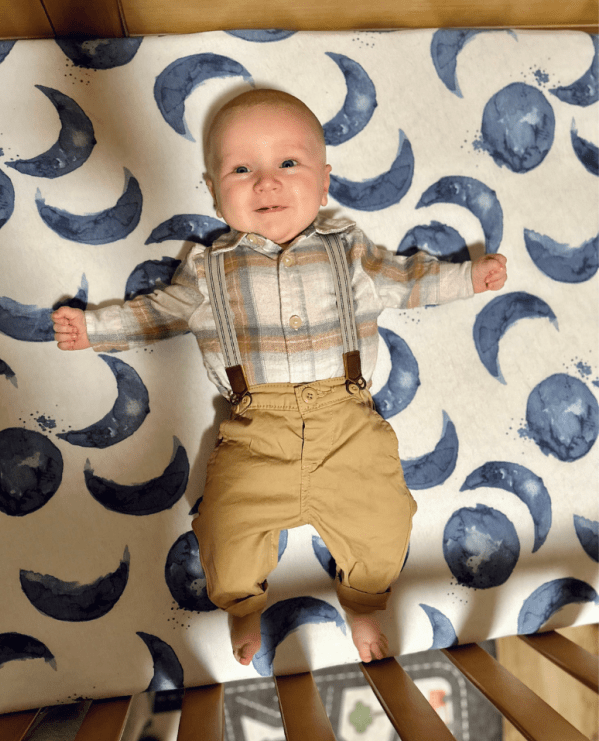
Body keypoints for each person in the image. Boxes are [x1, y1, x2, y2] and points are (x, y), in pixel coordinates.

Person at [52, 89, 507, 666]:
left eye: (288, 163)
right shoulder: (209, 269)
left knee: (385, 517)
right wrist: (94, 328)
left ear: (324, 183)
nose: (266, 182)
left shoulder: (349, 253)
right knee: (225, 524)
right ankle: (243, 603)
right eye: (241, 170)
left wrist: (469, 278)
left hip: (347, 426)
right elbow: (157, 313)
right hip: (255, 433)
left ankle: (363, 600)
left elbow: (410, 280)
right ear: (214, 192)